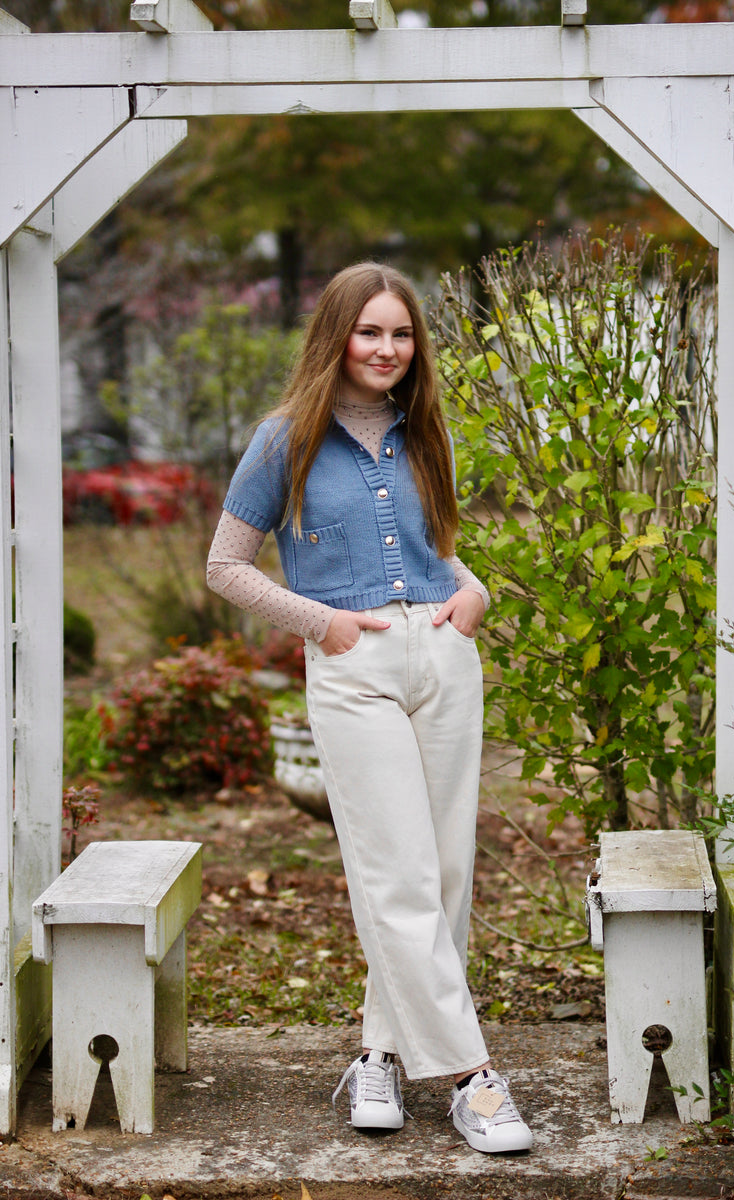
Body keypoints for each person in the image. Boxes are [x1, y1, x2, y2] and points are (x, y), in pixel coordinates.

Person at [207, 262, 533, 1154]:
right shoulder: (284, 441)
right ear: (336, 337)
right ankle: (473, 1077)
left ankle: (381, 1056)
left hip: (444, 658)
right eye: (369, 332)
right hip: (354, 667)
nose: (387, 349)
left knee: (444, 874)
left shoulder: (427, 431)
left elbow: (438, 550)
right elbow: (224, 567)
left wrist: (476, 596)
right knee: (394, 874)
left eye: (401, 334)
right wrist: (324, 626)